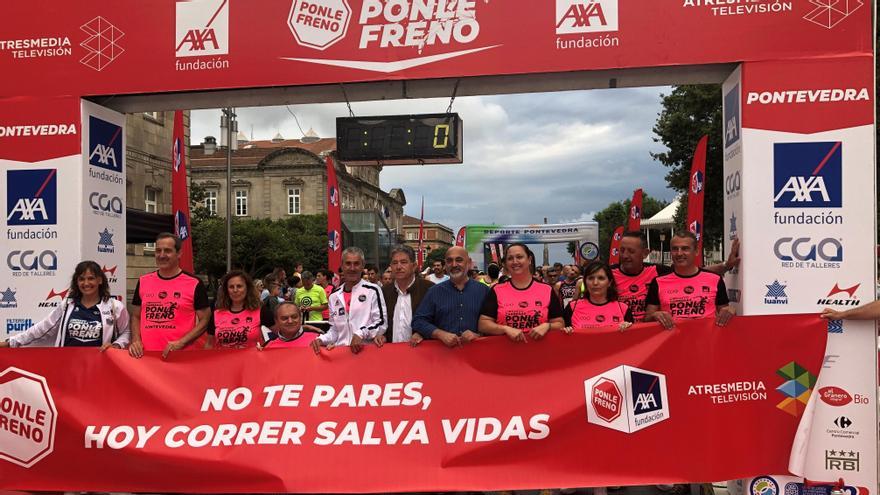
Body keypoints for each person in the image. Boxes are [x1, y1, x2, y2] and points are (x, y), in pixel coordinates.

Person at [596, 231, 740, 321]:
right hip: (621, 333)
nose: (625, 255)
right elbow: (589, 293)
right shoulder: (607, 274)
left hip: (654, 339)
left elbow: (692, 273)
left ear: (645, 253)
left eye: (631, 251)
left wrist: (727, 265)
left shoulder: (656, 272)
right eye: (622, 250)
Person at [0, 260, 129, 349]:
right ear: (76, 282)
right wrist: (11, 342)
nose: (86, 283)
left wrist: (116, 345)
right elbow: (42, 328)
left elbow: (126, 332)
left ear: (100, 280)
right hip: (68, 367)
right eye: (81, 279)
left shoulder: (115, 306)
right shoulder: (68, 305)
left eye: (91, 278)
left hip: (100, 367)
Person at [129, 232, 211, 359]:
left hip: (179, 357)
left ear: (179, 254)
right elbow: (135, 315)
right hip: (146, 358)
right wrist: (135, 339)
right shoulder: (143, 281)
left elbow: (205, 319)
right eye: (158, 250)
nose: (161, 255)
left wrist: (181, 343)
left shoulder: (194, 283)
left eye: (167, 251)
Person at [644, 231, 734, 329]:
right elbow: (648, 318)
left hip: (706, 341)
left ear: (696, 251)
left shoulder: (715, 279)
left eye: (685, 248)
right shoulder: (658, 282)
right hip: (672, 341)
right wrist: (655, 315)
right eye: (675, 249)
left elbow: (724, 313)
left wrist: (730, 311)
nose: (679, 253)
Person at [479, 243, 564, 342]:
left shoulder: (547, 290)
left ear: (529, 260)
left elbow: (560, 323)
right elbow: (483, 324)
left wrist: (548, 326)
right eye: (510, 258)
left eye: (519, 257)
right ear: (506, 263)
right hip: (504, 353)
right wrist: (505, 329)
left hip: (539, 353)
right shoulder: (497, 290)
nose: (515, 262)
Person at [310, 247, 388, 355]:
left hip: (366, 352)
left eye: (356, 264)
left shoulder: (373, 290)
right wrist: (321, 339)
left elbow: (381, 323)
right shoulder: (334, 296)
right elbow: (335, 330)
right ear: (342, 266)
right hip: (342, 355)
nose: (352, 268)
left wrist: (361, 334)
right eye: (348, 264)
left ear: (362, 266)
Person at [412, 246, 488, 347]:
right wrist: (439, 334)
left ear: (469, 263)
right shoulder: (434, 292)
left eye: (459, 260)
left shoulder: (484, 291)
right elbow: (418, 321)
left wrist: (479, 335)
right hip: (443, 356)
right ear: (445, 265)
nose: (454, 264)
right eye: (449, 261)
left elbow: (494, 322)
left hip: (475, 355)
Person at [379, 245, 434, 347]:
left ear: (414, 266)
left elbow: (438, 320)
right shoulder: (383, 292)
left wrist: (423, 333)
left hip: (421, 353)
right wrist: (382, 335)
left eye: (403, 262)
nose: (399, 267)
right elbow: (380, 320)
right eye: (395, 263)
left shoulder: (429, 289)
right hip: (391, 353)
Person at [564, 261, 633, 332]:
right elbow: (560, 337)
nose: (595, 283)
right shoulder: (572, 307)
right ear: (585, 282)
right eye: (591, 278)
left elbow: (634, 340)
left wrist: (628, 330)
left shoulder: (623, 309)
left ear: (609, 282)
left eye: (601, 278)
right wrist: (566, 332)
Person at [206, 270, 262, 349]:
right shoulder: (217, 314)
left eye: (239, 286)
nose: (235, 290)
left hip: (251, 360)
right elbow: (209, 344)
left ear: (247, 288)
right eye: (231, 287)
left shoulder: (260, 312)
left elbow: (279, 335)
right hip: (223, 360)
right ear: (226, 290)